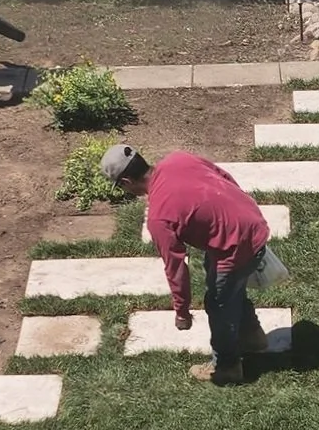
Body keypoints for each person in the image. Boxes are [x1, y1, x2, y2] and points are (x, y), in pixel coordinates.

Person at [102, 142, 269, 385]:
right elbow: (224, 177)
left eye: (120, 186)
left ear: (126, 182)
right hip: (251, 221)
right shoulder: (177, 159)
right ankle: (253, 337)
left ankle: (226, 367)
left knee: (219, 304)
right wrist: (234, 212)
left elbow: (176, 268)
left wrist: (182, 312)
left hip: (237, 246)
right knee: (228, 287)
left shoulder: (159, 216)